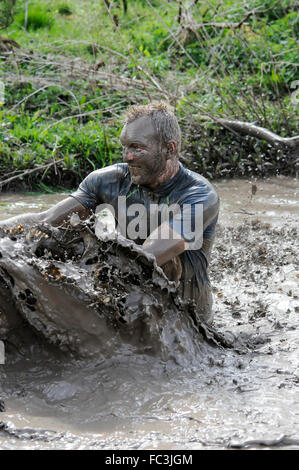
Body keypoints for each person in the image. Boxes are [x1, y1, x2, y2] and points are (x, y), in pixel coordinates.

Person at [0, 102, 219, 323]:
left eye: (137, 147)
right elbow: (44, 222)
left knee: (164, 265)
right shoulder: (106, 181)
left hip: (189, 321)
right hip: (128, 304)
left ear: (169, 149)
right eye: (124, 146)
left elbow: (150, 256)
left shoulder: (200, 196)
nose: (127, 156)